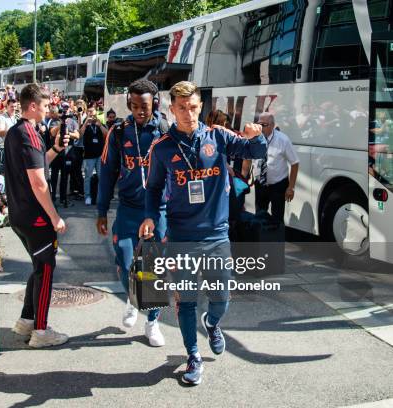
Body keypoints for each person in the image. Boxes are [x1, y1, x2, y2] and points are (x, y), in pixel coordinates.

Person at [139, 81, 266, 385]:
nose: (188, 113)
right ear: (172, 109)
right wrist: (150, 216)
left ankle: (212, 322)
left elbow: (254, 150)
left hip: (217, 235)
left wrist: (256, 135)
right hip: (182, 235)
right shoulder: (162, 147)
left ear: (201, 107)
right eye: (181, 108)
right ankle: (193, 356)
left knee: (221, 297)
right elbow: (154, 187)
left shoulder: (218, 136)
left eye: (193, 106)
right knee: (186, 299)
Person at [97, 79, 169, 347]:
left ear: (156, 104)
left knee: (152, 269)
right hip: (128, 209)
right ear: (128, 104)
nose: (140, 111)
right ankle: (132, 296)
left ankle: (152, 322)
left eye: (145, 106)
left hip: (158, 210)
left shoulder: (165, 131)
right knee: (127, 263)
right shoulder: (118, 133)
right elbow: (106, 174)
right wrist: (102, 210)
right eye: (135, 105)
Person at [5, 83, 70, 348]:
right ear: (32, 106)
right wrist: (54, 216)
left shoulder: (15, 132)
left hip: (19, 215)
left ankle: (27, 320)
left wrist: (54, 149)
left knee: (38, 265)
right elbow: (39, 182)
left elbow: (36, 167)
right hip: (36, 216)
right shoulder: (29, 134)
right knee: (45, 268)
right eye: (44, 106)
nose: (47, 110)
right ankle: (41, 330)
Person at [253, 112, 300, 224]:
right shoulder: (254, 138)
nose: (261, 127)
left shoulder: (283, 140)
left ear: (272, 125)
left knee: (277, 219)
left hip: (278, 186)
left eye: (264, 125)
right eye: (259, 124)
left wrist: (291, 187)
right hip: (260, 184)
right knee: (259, 217)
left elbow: (295, 163)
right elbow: (249, 158)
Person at [80, 105, 107, 205]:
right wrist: (86, 123)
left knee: (101, 176)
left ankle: (100, 196)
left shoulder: (100, 124)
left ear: (96, 113)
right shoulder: (85, 124)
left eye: (93, 112)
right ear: (87, 113)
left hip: (99, 154)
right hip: (88, 155)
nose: (91, 115)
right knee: (88, 176)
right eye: (89, 112)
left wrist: (100, 126)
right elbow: (80, 134)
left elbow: (107, 134)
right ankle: (87, 196)